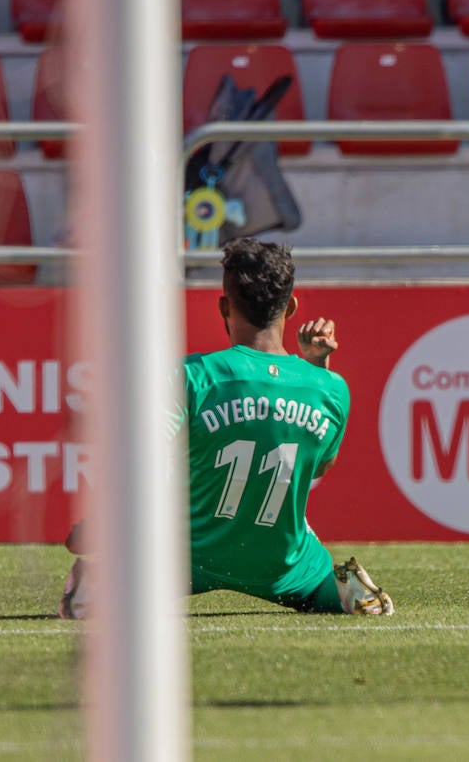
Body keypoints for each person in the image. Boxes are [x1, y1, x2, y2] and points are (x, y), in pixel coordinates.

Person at [57, 239, 393, 620]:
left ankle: (103, 582)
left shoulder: (192, 376)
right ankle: (346, 590)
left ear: (224, 306)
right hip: (284, 564)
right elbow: (318, 467)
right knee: (319, 580)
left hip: (186, 554)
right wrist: (318, 367)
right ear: (293, 306)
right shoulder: (331, 388)